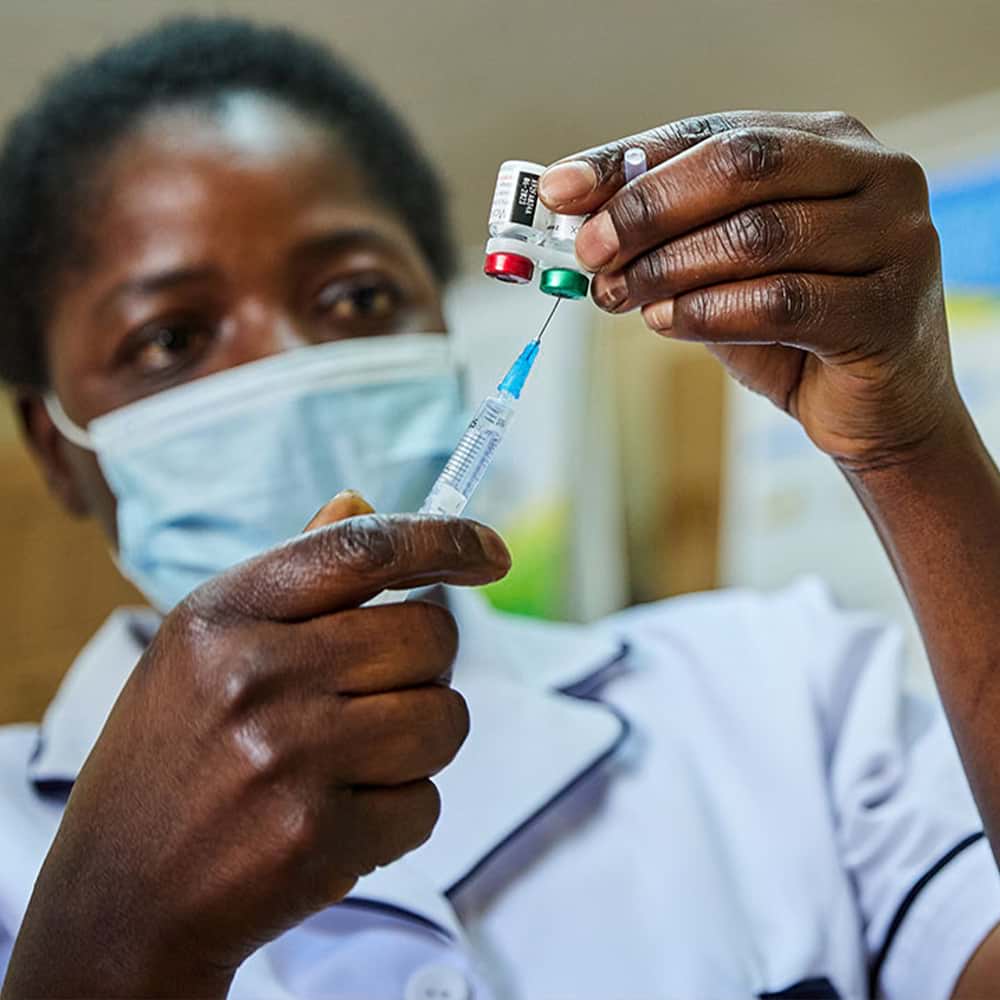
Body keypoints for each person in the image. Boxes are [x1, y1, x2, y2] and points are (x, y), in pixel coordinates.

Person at [1, 15, 999, 1000]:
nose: (295, 366)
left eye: (353, 298)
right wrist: (116, 928)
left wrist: (909, 443)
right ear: (55, 446)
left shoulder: (782, 698)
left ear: (442, 323)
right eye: (171, 339)